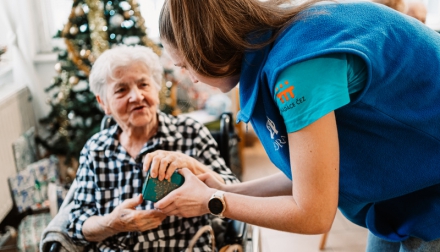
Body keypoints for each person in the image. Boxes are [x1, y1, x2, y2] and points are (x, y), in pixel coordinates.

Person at [153, 0, 440, 251]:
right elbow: (313, 175)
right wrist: (225, 189)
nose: (191, 78)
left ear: (205, 47)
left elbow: (313, 213)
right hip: (412, 182)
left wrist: (213, 201)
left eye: (185, 65)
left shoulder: (298, 68)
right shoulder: (281, 43)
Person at [67, 45, 240, 251]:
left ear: (157, 88)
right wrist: (111, 223)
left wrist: (193, 166)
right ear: (103, 102)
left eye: (143, 84)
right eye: (121, 89)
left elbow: (235, 195)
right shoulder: (95, 150)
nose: (137, 96)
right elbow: (76, 225)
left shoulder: (190, 133)